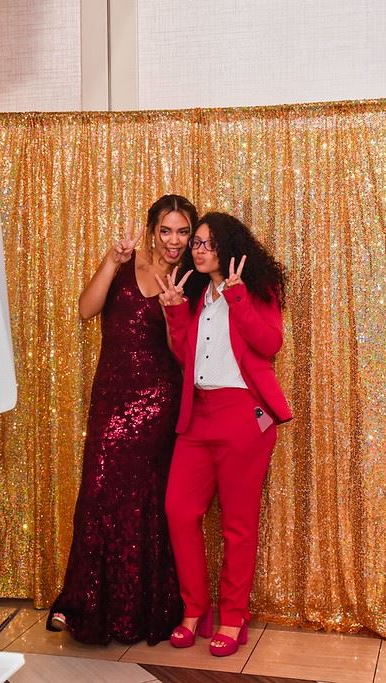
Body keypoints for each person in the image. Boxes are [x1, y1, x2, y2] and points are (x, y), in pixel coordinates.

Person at [47, 194, 199, 645]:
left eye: (183, 232)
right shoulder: (125, 263)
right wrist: (111, 261)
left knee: (145, 502)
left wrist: (173, 310)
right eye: (166, 230)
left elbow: (182, 355)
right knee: (98, 495)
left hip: (158, 404)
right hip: (112, 400)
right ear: (152, 230)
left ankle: (138, 611)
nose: (174, 240)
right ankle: (82, 603)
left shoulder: (189, 281)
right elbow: (85, 309)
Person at [155, 211, 291, 657]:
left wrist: (237, 298)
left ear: (229, 247)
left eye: (208, 243)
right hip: (198, 416)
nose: (199, 249)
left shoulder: (255, 289)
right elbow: (185, 357)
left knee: (237, 525)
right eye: (196, 242)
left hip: (242, 417)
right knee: (179, 511)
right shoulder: (197, 294)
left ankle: (233, 618)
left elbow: (269, 344)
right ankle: (195, 610)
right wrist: (175, 311)